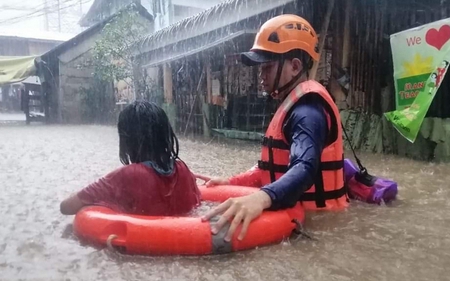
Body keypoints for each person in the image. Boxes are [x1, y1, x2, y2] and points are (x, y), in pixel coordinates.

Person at [195, 14, 348, 243]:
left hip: (320, 226)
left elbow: (305, 168)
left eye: (267, 68)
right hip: (303, 217)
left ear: (295, 66)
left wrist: (262, 198)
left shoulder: (308, 112)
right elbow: (271, 169)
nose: (261, 76)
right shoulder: (293, 104)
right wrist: (231, 182)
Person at [60, 100, 201, 216]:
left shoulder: (129, 175)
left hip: (144, 246)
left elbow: (66, 207)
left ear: (127, 140)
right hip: (182, 239)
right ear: (166, 134)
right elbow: (197, 203)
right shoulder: (183, 170)